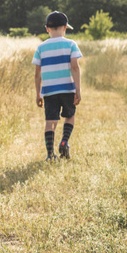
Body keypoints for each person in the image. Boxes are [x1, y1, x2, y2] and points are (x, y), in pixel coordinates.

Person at [32, 11, 82, 161]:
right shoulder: (71, 44)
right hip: (67, 89)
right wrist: (78, 90)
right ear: (65, 28)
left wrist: (38, 93)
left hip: (49, 91)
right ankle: (64, 142)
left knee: (50, 121)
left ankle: (49, 154)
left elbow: (37, 73)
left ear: (47, 28)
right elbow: (75, 67)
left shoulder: (41, 48)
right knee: (70, 116)